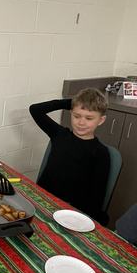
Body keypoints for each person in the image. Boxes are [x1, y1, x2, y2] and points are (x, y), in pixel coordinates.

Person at [29, 88, 110, 225]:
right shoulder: (59, 134)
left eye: (89, 118)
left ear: (101, 120)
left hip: (71, 213)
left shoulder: (101, 153)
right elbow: (35, 109)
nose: (81, 122)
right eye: (77, 116)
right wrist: (71, 103)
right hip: (42, 201)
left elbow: (96, 197)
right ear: (71, 113)